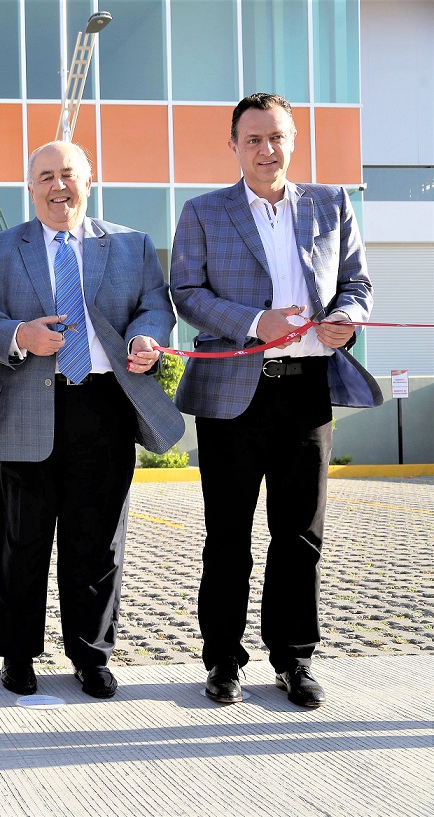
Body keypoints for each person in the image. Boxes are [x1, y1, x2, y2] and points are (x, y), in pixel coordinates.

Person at [171, 93, 382, 708]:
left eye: (278, 138)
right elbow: (186, 291)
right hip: (235, 393)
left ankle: (292, 659)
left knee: (300, 535)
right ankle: (223, 662)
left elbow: (358, 282)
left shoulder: (330, 204)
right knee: (227, 536)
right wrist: (251, 321)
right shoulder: (204, 212)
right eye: (254, 139)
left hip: (308, 391)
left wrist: (346, 315)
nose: (267, 150)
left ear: (294, 140)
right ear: (234, 145)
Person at [0, 140, 184, 700]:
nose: (58, 187)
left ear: (90, 180)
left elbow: (156, 305)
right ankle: (17, 655)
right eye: (45, 177)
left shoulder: (132, 246)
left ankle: (91, 655)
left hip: (103, 404)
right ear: (29, 187)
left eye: (68, 175)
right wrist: (18, 335)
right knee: (19, 541)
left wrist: (147, 336)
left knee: (98, 540)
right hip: (23, 404)